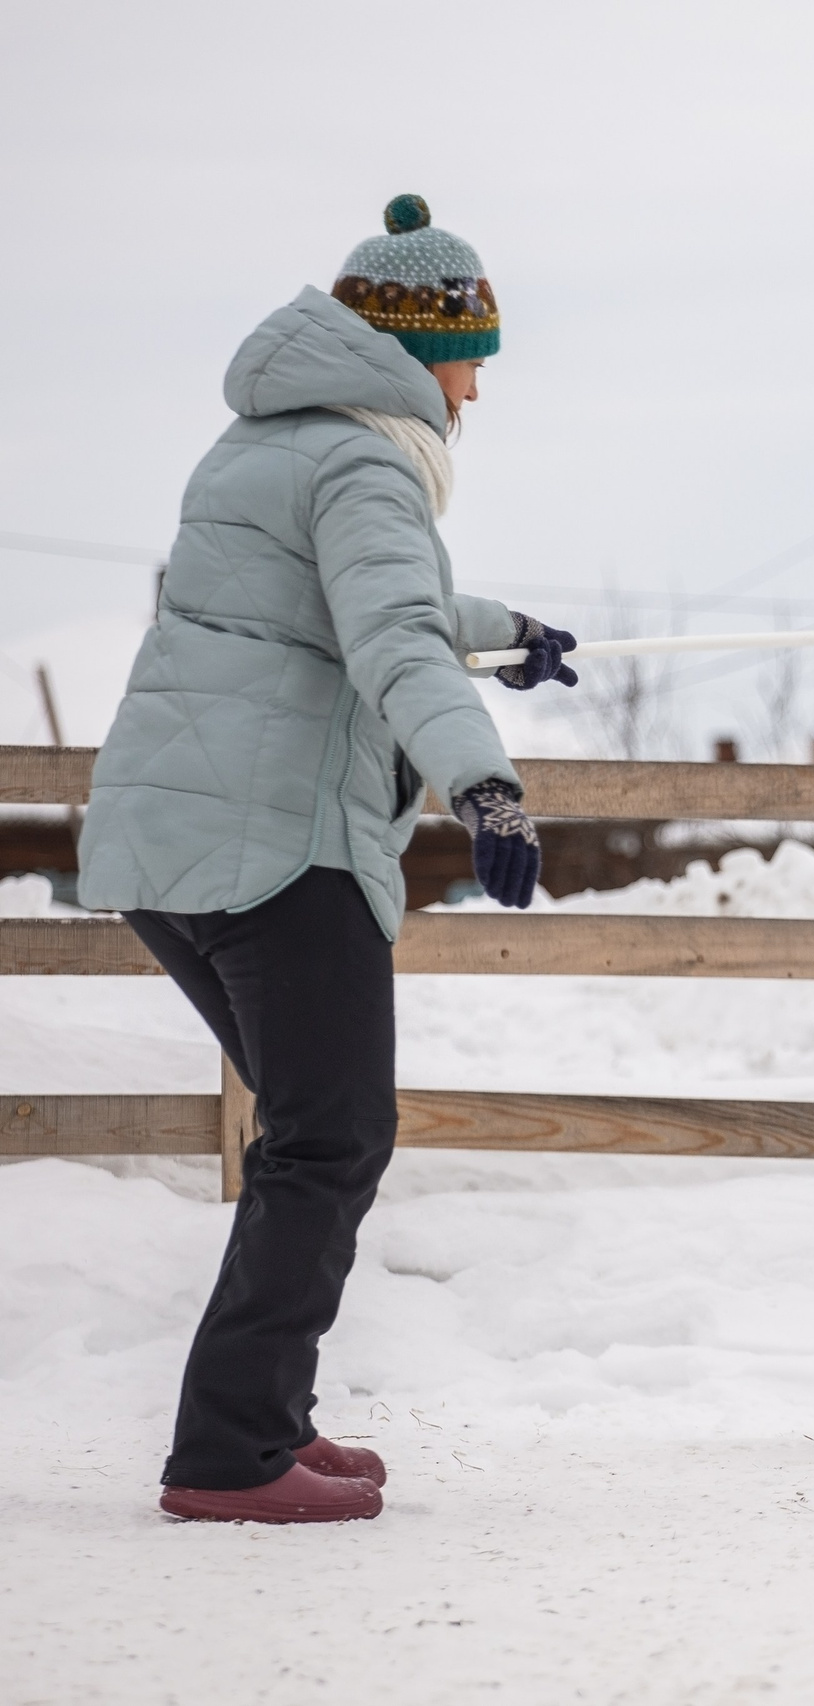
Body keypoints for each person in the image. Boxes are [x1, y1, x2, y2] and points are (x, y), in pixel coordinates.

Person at [77, 195, 579, 1523]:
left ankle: (266, 1419)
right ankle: (230, 1449)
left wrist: (501, 627)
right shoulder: (369, 462)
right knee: (331, 1132)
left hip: (166, 844)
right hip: (275, 847)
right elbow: (392, 636)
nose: (479, 387)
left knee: (312, 1129)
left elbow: (358, 600)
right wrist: (488, 784)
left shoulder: (261, 445)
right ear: (421, 351)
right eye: (474, 355)